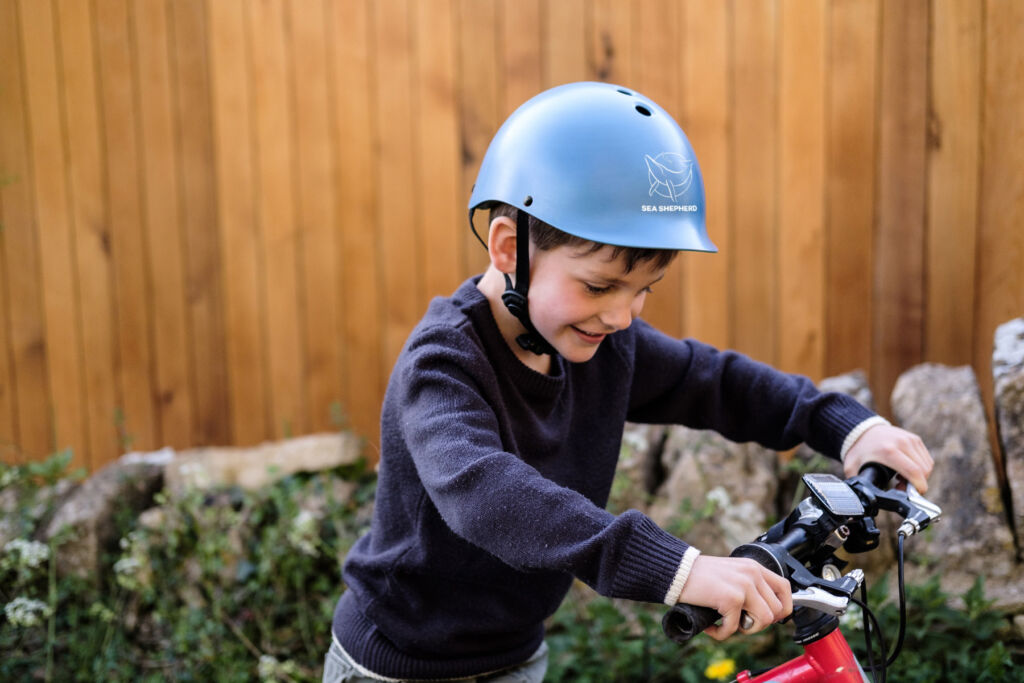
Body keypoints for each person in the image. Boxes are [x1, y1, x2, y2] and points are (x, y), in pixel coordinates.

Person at [322, 82, 933, 682]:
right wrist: (677, 569)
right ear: (509, 249)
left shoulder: (601, 343)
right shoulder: (443, 364)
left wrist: (847, 426)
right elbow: (487, 493)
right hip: (398, 665)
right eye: (598, 286)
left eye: (643, 290)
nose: (621, 316)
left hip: (513, 656)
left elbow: (715, 380)